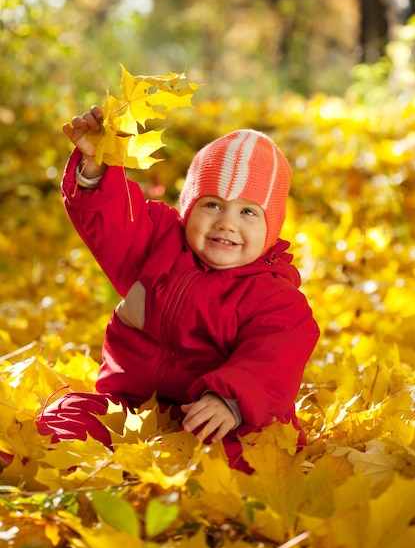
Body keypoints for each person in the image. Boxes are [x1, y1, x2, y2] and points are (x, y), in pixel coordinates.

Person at [37, 105, 320, 472]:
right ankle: (42, 465)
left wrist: (230, 401)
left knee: (248, 453)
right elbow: (112, 221)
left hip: (214, 418)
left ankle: (185, 488)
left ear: (271, 228)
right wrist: (97, 167)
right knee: (67, 410)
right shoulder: (155, 242)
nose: (226, 223)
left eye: (247, 212)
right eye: (212, 204)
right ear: (188, 207)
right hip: (134, 408)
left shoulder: (275, 298)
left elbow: (275, 357)